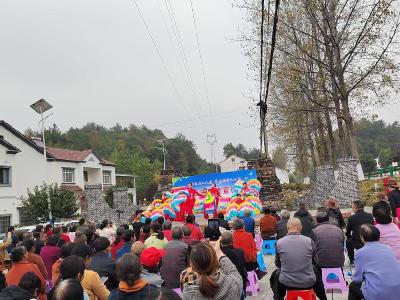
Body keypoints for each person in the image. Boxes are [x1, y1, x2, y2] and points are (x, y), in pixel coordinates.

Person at [271, 218, 327, 300]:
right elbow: (315, 261)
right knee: (316, 271)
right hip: (308, 282)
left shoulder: (279, 242)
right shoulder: (309, 241)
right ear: (300, 227)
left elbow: (278, 264)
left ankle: (278, 298)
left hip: (286, 282)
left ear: (288, 228)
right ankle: (323, 298)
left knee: (275, 275)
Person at [349, 224, 400, 300]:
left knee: (353, 286)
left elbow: (358, 278)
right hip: (397, 291)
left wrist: (352, 277)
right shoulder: (388, 248)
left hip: (378, 294)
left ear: (362, 238)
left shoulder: (360, 252)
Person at [345, 200, 374, 266]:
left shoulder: (352, 218)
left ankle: (352, 261)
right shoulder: (370, 216)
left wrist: (349, 237)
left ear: (355, 208)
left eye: (352, 207)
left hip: (357, 241)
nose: (352, 209)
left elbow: (348, 231)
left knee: (348, 242)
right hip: (369, 239)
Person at [220, 231, 247, 296]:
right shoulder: (240, 252)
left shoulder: (219, 253)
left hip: (223, 284)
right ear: (233, 240)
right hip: (239, 282)